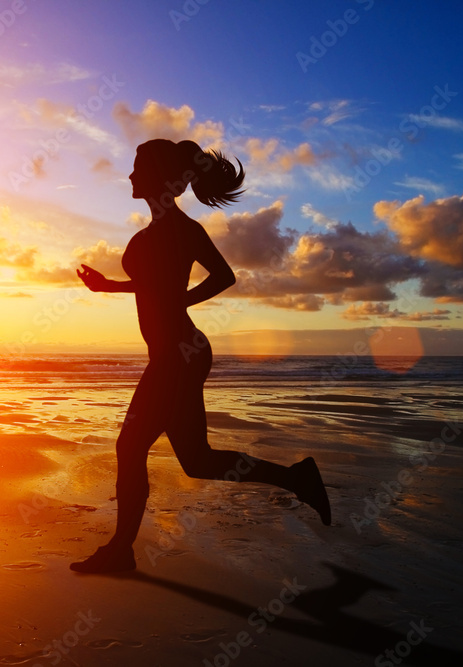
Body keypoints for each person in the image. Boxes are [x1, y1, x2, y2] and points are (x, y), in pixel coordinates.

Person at [71, 139, 330, 574]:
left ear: (159, 178)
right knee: (196, 460)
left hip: (178, 354)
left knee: (130, 447)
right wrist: (109, 287)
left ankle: (121, 552)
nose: (131, 175)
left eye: (137, 168)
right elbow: (152, 283)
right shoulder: (152, 233)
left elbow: (224, 275)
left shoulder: (185, 229)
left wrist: (182, 302)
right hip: (176, 354)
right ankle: (296, 478)